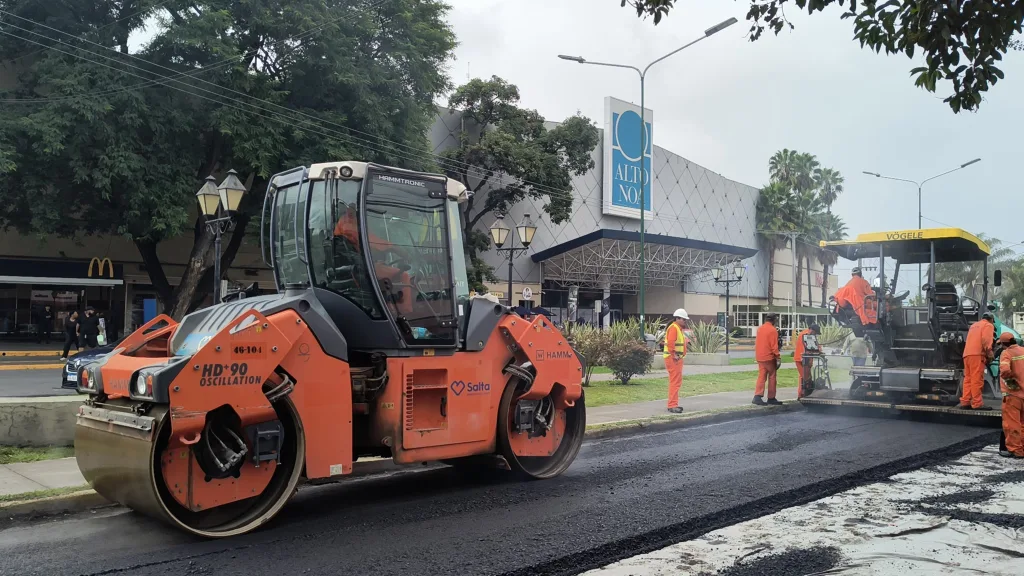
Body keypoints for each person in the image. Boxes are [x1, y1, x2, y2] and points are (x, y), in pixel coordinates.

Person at [959, 312, 995, 410]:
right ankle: (977, 403)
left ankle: (965, 402)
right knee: (976, 379)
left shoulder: (974, 326)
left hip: (967, 354)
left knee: (968, 379)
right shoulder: (988, 325)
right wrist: (990, 353)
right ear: (991, 319)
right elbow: (986, 340)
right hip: (977, 354)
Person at [997, 332, 1024, 458]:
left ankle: (1016, 450)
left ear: (1003, 344)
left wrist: (1009, 380)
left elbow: (1005, 370)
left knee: (1012, 424)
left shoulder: (1006, 353)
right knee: (1022, 423)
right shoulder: (1022, 350)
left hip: (1013, 395)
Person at [833, 267, 875, 335]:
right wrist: (875, 295)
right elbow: (870, 294)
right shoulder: (863, 282)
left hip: (850, 307)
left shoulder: (848, 283)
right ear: (860, 274)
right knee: (877, 306)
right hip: (860, 305)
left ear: (852, 275)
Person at [753, 313, 782, 406]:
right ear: (774, 320)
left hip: (760, 356)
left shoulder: (760, 329)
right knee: (772, 377)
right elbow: (774, 346)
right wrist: (778, 357)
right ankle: (771, 397)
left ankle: (757, 396)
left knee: (761, 376)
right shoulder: (773, 330)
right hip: (769, 357)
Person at [664, 308, 688, 414]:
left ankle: (674, 404)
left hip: (675, 358)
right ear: (677, 318)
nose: (685, 321)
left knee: (676, 381)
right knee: (675, 382)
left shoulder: (676, 328)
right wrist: (674, 355)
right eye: (683, 319)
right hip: (673, 358)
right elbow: (670, 343)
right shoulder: (674, 328)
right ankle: (672, 405)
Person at [793, 324, 820, 399]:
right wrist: (817, 351)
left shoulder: (806, 334)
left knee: (804, 377)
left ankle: (802, 394)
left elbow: (815, 345)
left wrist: (818, 349)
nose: (815, 335)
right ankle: (802, 395)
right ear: (812, 330)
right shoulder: (806, 335)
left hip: (802, 359)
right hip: (803, 359)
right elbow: (809, 348)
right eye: (815, 333)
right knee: (805, 378)